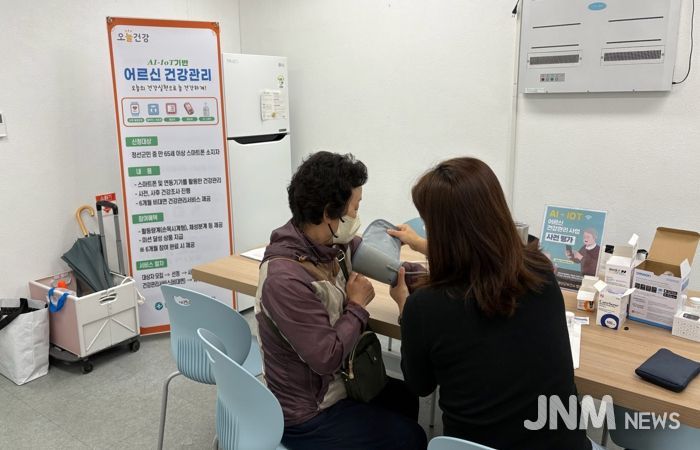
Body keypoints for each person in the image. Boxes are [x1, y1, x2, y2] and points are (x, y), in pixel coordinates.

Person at [388, 157, 600, 450]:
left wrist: (403, 307)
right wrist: (422, 246)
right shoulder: (540, 273)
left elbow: (419, 385)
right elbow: (481, 255)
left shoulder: (424, 306)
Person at [255, 151, 427, 450]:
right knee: (411, 437)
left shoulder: (332, 244)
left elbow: (391, 269)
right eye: (356, 207)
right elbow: (326, 357)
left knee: (406, 399)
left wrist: (436, 277)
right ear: (328, 214)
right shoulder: (284, 280)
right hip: (306, 412)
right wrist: (356, 307)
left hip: (338, 383)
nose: (357, 217)